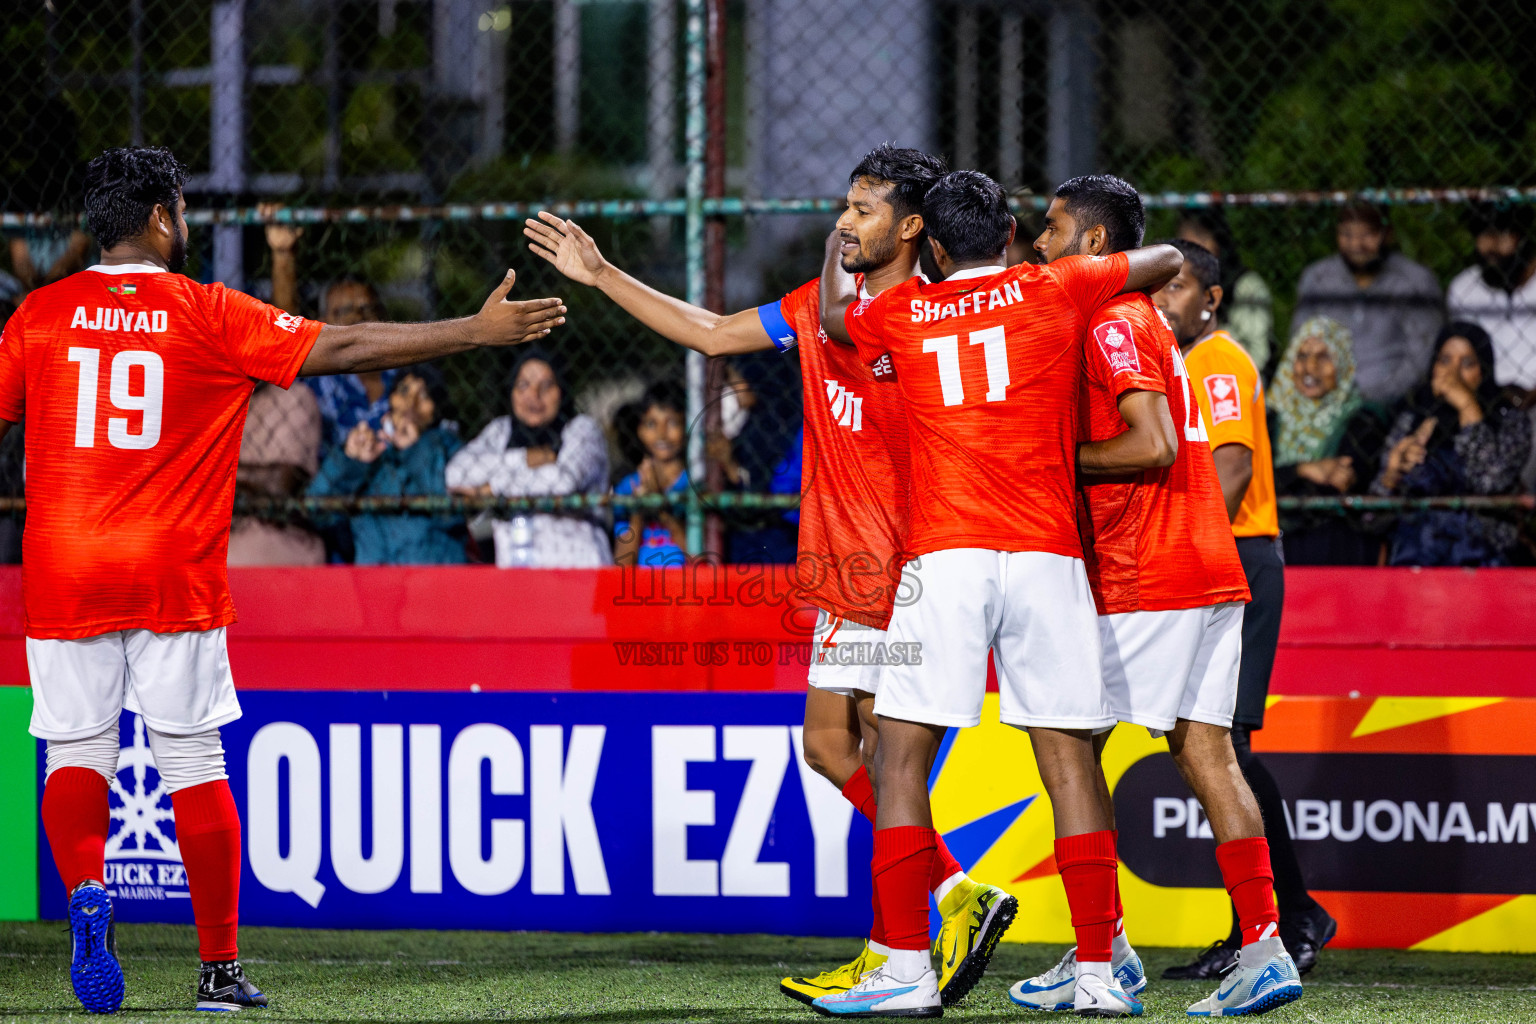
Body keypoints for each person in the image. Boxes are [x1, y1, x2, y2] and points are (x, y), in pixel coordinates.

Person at [0, 145, 565, 1015]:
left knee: (77, 753)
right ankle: (219, 972)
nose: (184, 223)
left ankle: (86, 891)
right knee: (191, 759)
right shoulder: (208, 312)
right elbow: (340, 346)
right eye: (181, 210)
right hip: (169, 571)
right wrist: (471, 331)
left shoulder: (37, 315)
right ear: (160, 218)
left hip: (64, 565)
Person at [525, 145, 1017, 1009]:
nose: (844, 220)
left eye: (863, 209)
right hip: (842, 564)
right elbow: (712, 332)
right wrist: (601, 274)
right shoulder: (832, 303)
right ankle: (944, 898)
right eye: (845, 204)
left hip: (897, 565)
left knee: (882, 754)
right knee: (832, 747)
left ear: (911, 227)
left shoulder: (928, 317)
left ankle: (900, 950)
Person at [817, 169, 1181, 1018]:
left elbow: (840, 318)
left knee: (900, 755)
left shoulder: (903, 310)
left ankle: (905, 968)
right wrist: (1126, 260)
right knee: (1067, 760)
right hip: (1049, 556)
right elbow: (1159, 262)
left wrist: (845, 244)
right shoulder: (1056, 284)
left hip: (945, 555)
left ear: (934, 248)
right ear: (1012, 232)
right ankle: (1098, 970)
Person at [1007, 175, 1301, 1018]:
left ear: (1096, 244)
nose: (1040, 243)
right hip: (1206, 566)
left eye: (1054, 229)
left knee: (1062, 743)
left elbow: (1154, 443)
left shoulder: (1111, 320)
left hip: (1148, 570)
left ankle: (1101, 957)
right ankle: (1264, 946)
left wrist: (1050, 463)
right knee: (1207, 755)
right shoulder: (1148, 320)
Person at [1155, 239, 1338, 980]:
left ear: (1213, 298)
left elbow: (1231, 468)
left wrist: (1185, 556)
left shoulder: (1218, 361)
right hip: (1222, 557)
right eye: (1160, 288)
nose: (1166, 301)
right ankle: (1267, 920)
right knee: (1210, 748)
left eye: (1181, 288)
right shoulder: (1186, 362)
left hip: (1237, 557)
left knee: (1222, 748)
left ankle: (1286, 917)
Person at [1371, 322, 1532, 566]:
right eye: (1444, 361)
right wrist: (1393, 473)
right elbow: (1371, 513)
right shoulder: (1412, 417)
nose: (1452, 374)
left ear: (1484, 371)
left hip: (1484, 553)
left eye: (1467, 364)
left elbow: (1490, 481)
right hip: (1417, 551)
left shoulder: (1510, 420)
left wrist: (1467, 405)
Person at [445, 347, 611, 568]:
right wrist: (524, 458)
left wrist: (491, 489)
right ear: (511, 391)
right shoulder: (501, 430)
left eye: (546, 386)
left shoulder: (582, 430)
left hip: (577, 570)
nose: (533, 396)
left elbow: (563, 482)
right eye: (523, 385)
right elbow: (456, 474)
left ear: (562, 391)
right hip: (516, 575)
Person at [263, 213, 399, 453]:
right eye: (345, 311)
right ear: (322, 322)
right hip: (331, 482)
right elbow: (287, 332)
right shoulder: (320, 375)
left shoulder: (407, 373)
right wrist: (283, 254)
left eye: (367, 308)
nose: (358, 316)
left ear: (383, 316)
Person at [307, 363, 467, 565]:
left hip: (434, 582)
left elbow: (451, 517)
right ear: (390, 400)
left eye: (425, 395)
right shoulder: (375, 458)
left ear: (436, 408)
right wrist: (350, 461)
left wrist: (415, 451)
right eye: (404, 390)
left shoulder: (449, 449)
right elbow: (316, 511)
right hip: (373, 586)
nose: (412, 402)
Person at [1290, 202, 1443, 406]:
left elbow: (1420, 359)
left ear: (1387, 234)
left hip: (1393, 403)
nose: (1356, 245)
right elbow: (1299, 344)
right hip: (1324, 398)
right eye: (1347, 234)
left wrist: (1372, 400)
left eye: (1367, 234)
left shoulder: (1415, 281)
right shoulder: (1317, 278)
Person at [1269, 317, 1388, 565]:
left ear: (1343, 363)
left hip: (1336, 543)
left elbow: (1344, 480)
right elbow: (1252, 480)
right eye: (1301, 356)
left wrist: (1283, 478)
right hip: (1273, 539)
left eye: (1323, 357)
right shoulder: (1270, 418)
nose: (1310, 367)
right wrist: (1306, 469)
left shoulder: (1364, 420)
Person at [226, 380, 326, 566]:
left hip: (271, 531)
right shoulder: (204, 397)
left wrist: (207, 468)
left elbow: (280, 484)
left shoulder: (293, 397)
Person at [1447, 203, 1536, 391]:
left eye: (1501, 233)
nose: (1490, 245)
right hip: (1485, 399)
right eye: (1482, 233)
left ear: (1523, 237)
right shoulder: (1464, 287)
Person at [1178, 208, 1274, 372]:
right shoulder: (1172, 288)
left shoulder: (1247, 286)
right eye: (1185, 243)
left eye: (1200, 237)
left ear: (1219, 243)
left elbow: (1258, 354)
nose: (1192, 251)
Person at [612, 381, 690, 567]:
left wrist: (659, 506)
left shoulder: (694, 483)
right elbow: (623, 564)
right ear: (639, 430)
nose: (662, 434)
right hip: (641, 590)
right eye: (651, 424)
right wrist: (638, 509)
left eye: (672, 423)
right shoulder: (627, 487)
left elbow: (699, 557)